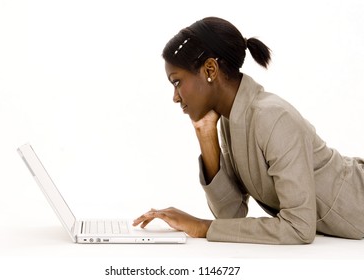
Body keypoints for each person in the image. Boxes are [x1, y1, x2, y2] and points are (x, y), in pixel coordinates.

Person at [132, 17, 364, 244]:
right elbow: (230, 216)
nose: (175, 97)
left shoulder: (272, 116)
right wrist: (206, 136)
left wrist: (202, 227)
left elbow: (298, 227)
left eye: (177, 82)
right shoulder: (230, 120)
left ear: (210, 69)